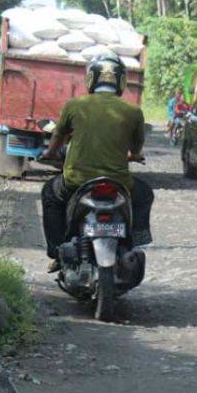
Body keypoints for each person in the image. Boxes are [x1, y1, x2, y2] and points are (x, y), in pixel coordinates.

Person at [40, 51, 154, 273]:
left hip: (76, 180)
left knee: (50, 195)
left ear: (91, 78)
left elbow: (58, 137)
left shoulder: (74, 105)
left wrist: (49, 154)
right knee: (144, 194)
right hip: (119, 182)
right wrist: (135, 155)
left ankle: (56, 252)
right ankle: (136, 238)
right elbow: (136, 147)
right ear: (121, 80)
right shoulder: (133, 111)